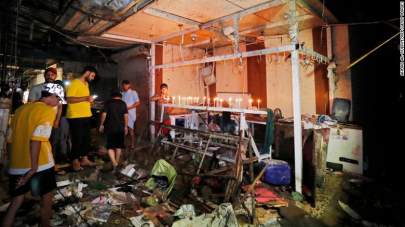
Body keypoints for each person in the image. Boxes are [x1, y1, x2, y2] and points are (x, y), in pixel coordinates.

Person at [2, 82, 65, 227]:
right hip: (40, 165)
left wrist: (12, 163)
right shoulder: (47, 111)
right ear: (53, 96)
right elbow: (36, 140)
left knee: (15, 203)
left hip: (17, 165)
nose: (58, 103)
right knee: (46, 201)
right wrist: (33, 168)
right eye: (58, 99)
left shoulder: (20, 110)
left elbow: (10, 139)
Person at [66, 66, 97, 171]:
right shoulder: (74, 83)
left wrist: (90, 101)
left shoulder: (86, 84)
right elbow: (69, 99)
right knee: (77, 139)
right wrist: (85, 98)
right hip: (75, 116)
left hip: (86, 115)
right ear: (87, 72)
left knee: (86, 139)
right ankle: (74, 161)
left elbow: (85, 99)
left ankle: (84, 159)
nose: (92, 78)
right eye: (92, 75)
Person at [99, 91, 128, 172]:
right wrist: (126, 127)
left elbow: (104, 114)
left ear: (112, 97)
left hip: (110, 128)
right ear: (120, 96)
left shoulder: (108, 103)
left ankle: (114, 163)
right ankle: (117, 162)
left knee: (110, 147)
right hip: (120, 128)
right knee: (118, 146)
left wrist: (101, 124)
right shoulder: (123, 103)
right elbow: (126, 116)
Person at [121, 80, 140, 149]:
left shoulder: (133, 92)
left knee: (131, 129)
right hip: (123, 114)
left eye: (126, 85)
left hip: (131, 114)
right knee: (123, 129)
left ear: (129, 85)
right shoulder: (123, 93)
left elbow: (138, 103)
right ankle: (122, 144)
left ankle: (132, 145)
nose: (124, 86)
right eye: (123, 85)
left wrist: (128, 108)